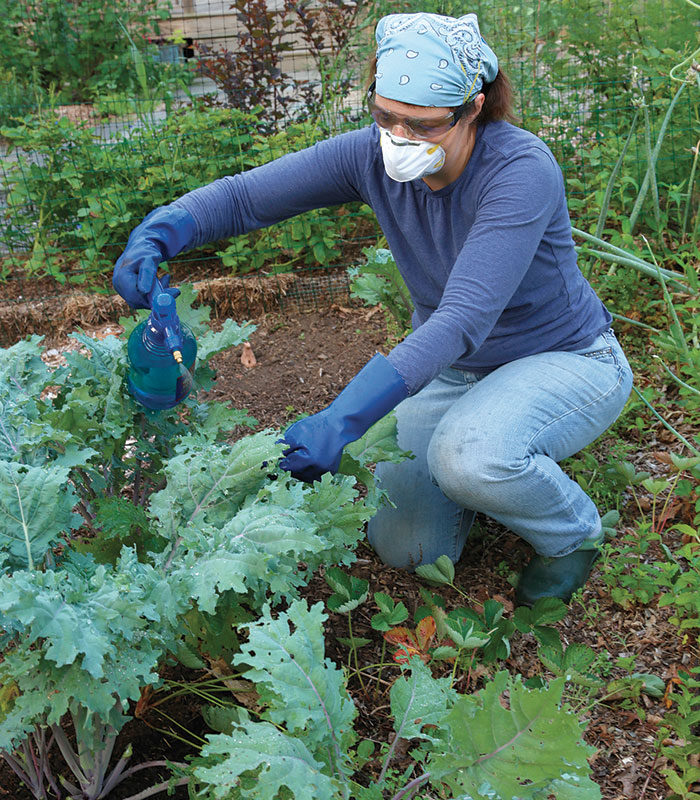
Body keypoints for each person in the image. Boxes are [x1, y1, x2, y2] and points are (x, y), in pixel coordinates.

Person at [113, 12, 633, 606]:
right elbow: (244, 198)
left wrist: (344, 420)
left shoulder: (520, 172)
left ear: (473, 109)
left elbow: (462, 318)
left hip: (564, 359)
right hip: (454, 369)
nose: (399, 138)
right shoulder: (369, 157)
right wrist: (158, 232)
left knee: (470, 457)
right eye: (385, 116)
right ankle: (490, 470)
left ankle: (571, 533)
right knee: (407, 549)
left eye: (423, 124)